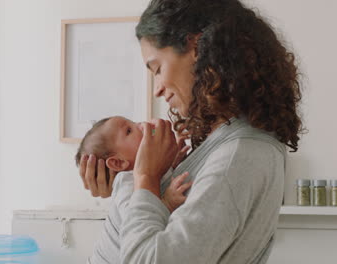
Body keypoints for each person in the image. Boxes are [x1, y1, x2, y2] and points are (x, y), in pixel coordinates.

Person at [78, 0, 304, 263]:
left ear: (197, 48)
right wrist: (126, 192)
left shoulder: (237, 156)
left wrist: (145, 178)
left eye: (158, 69)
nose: (157, 89)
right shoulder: (226, 143)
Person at [75, 116, 192, 263]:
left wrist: (173, 163)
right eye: (129, 131)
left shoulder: (155, 169)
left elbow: (159, 182)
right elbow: (135, 220)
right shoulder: (127, 182)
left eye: (135, 123)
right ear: (118, 162)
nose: (142, 125)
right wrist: (166, 202)